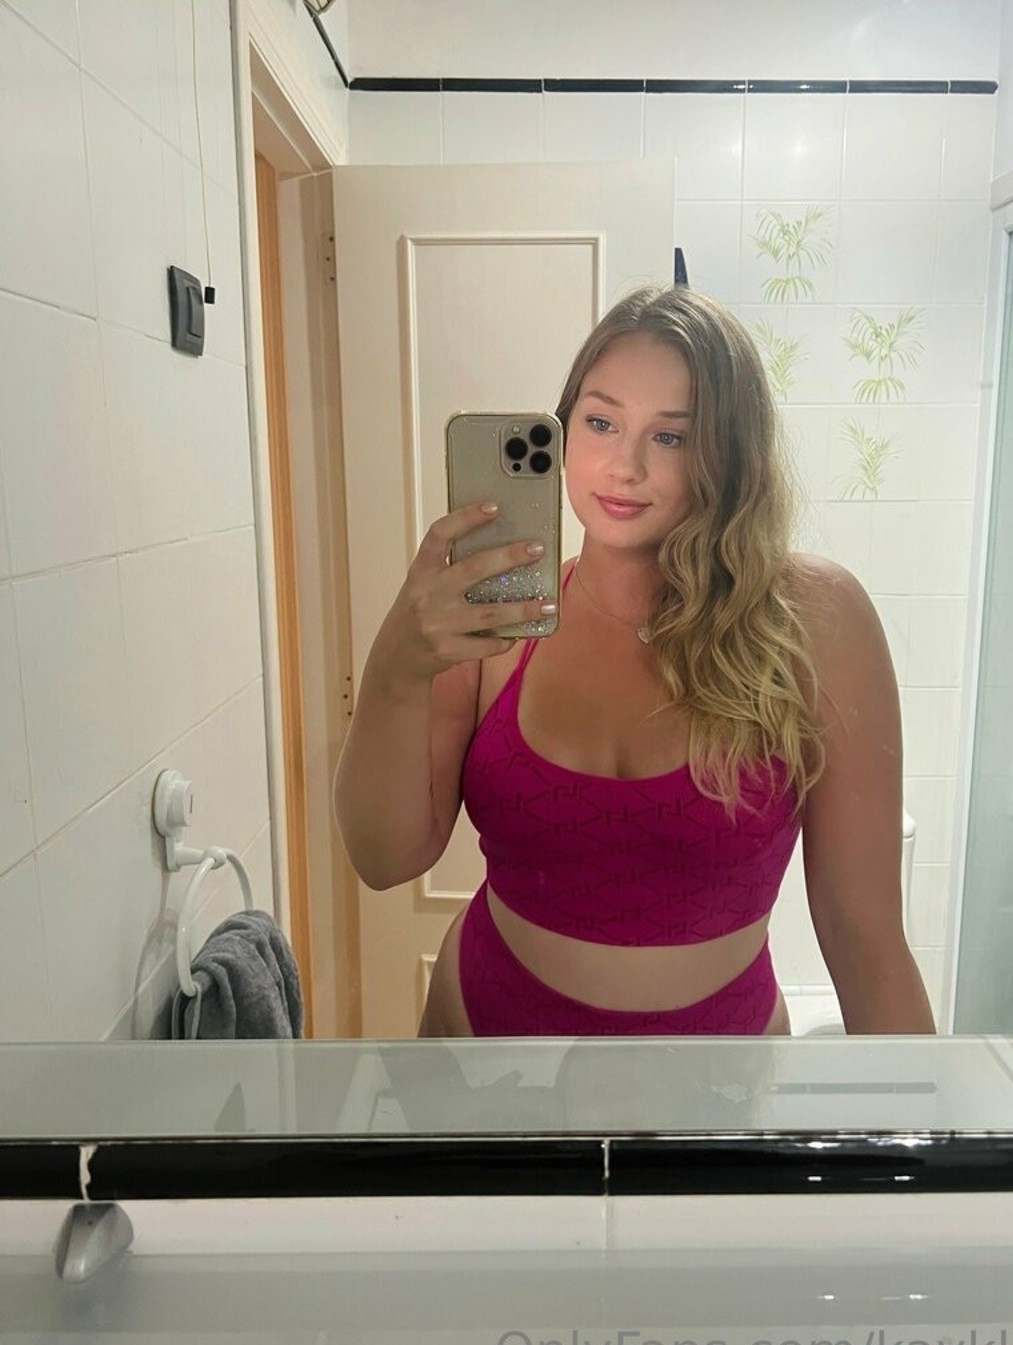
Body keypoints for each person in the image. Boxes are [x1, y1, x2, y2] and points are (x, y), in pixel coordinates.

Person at [334, 285, 937, 1038]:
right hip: (484, 1046)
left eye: (671, 437)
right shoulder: (495, 618)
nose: (624, 465)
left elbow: (866, 936)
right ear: (562, 431)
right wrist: (396, 667)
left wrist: (922, 1112)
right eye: (601, 422)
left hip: (721, 1072)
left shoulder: (815, 622)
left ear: (728, 455)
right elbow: (384, 858)